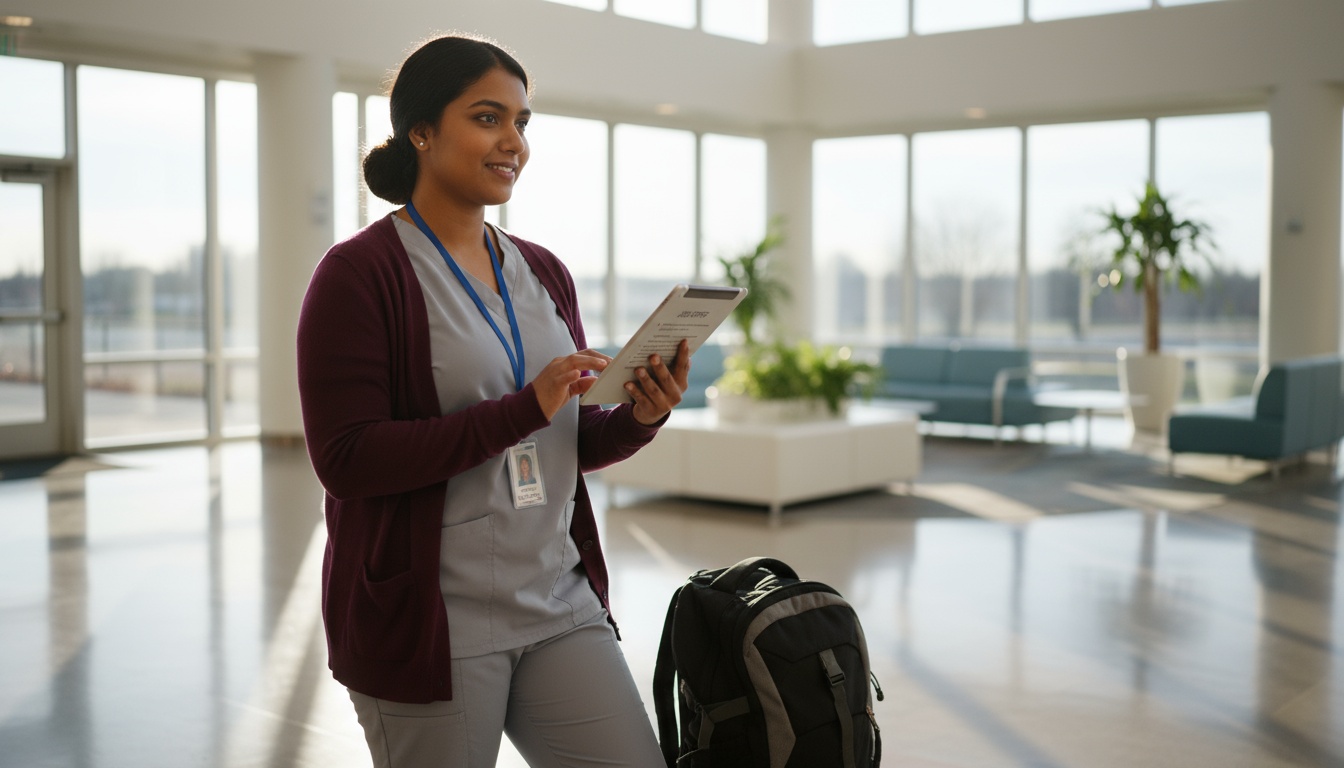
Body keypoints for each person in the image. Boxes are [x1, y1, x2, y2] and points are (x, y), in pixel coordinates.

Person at [296, 33, 689, 768]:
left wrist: (642, 414)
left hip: (557, 601)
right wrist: (519, 411)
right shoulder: (357, 275)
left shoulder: (543, 271)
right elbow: (345, 460)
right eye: (487, 118)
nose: (513, 142)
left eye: (522, 122)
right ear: (420, 131)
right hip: (431, 621)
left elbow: (570, 437)